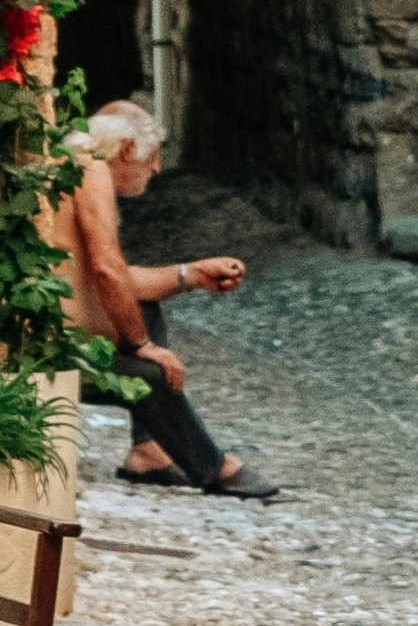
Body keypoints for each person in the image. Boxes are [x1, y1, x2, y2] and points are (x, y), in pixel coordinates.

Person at [58, 100, 278, 500]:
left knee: (142, 310)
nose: (157, 169)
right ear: (126, 149)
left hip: (66, 339)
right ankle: (214, 468)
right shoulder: (90, 172)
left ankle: (149, 451)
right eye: (154, 156)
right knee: (152, 375)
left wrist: (190, 274)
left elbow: (120, 280)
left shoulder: (76, 166)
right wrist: (143, 347)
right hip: (54, 356)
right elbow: (108, 269)